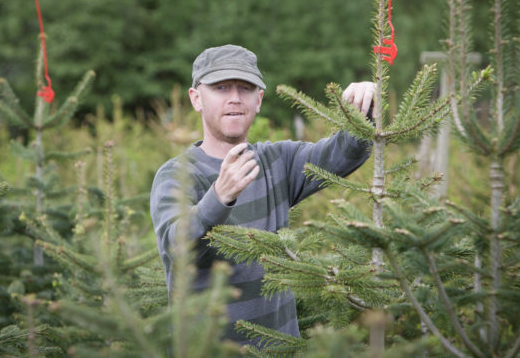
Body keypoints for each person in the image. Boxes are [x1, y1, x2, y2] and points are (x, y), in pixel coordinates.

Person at [150, 44, 374, 346]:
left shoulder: (277, 162)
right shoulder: (175, 175)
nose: (234, 98)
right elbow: (174, 246)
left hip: (278, 350)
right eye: (220, 87)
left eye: (245, 88)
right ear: (196, 98)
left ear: (258, 100)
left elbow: (344, 153)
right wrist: (219, 196)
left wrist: (365, 106)